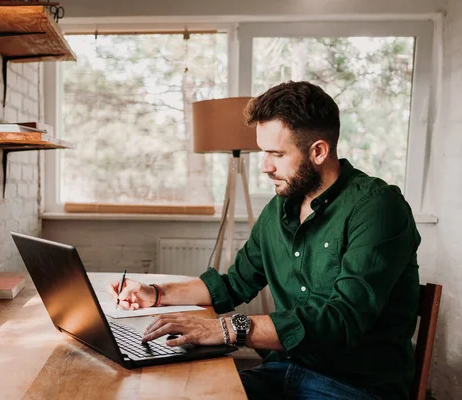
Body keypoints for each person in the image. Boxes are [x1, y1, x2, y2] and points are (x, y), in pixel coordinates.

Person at [109, 81, 421, 400]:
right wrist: (155, 294)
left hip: (355, 385)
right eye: (263, 152)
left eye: (276, 154)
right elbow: (233, 284)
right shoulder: (278, 209)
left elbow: (340, 320)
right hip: (283, 371)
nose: (264, 166)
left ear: (318, 151)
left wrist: (226, 329)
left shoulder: (377, 207)